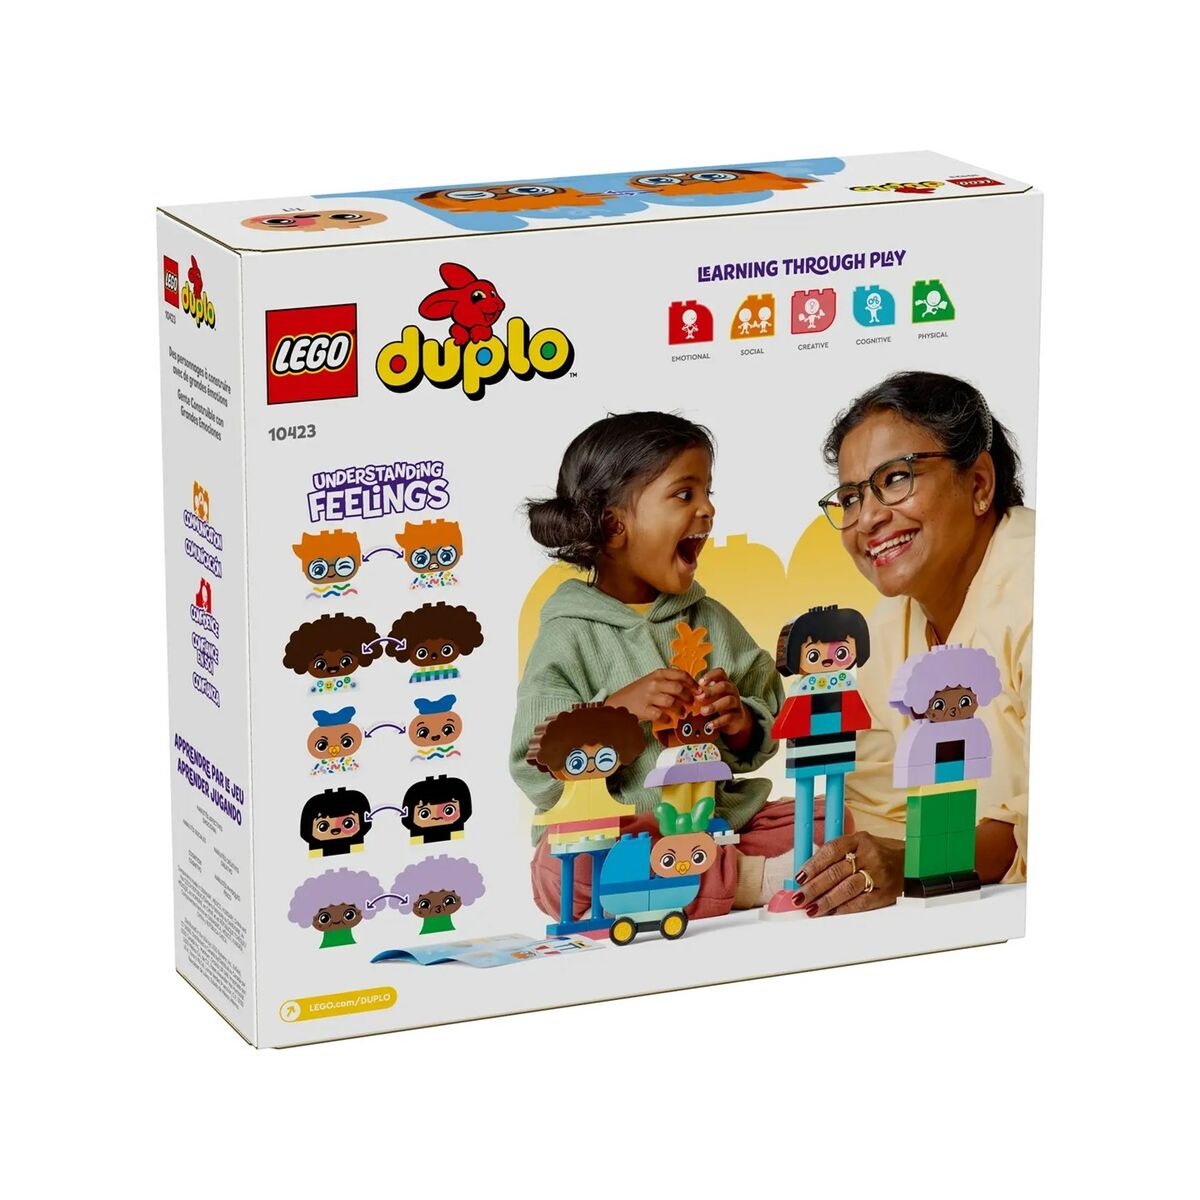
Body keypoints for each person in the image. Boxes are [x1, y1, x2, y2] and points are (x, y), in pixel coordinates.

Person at [509, 411, 788, 920]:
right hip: (623, 830)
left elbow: (768, 713)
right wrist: (614, 713)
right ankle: (745, 881)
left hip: (715, 820)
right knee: (560, 873)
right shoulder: (568, 633)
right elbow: (534, 768)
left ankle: (679, 883)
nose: (707, 509)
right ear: (615, 526)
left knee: (828, 818)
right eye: (684, 494)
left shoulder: (710, 618)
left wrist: (741, 721)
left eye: (707, 493)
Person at [794, 371, 1033, 917]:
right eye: (850, 497)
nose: (868, 518)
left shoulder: (1039, 588)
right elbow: (876, 812)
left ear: (979, 485)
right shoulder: (885, 633)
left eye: (896, 478)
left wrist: (915, 863)